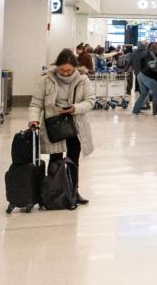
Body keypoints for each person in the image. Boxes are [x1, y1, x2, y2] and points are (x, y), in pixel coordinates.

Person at [27, 49, 95, 206]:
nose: (65, 73)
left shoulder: (82, 80)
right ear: (56, 66)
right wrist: (33, 120)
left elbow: (90, 101)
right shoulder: (46, 80)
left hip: (75, 126)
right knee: (55, 159)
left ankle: (73, 191)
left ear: (75, 68)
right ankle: (54, 192)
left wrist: (75, 108)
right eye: (61, 70)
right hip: (54, 126)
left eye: (68, 70)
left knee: (73, 160)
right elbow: (36, 103)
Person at [132, 43, 157, 115]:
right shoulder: (154, 56)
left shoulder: (146, 54)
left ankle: (135, 110)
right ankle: (156, 111)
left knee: (144, 94)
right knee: (156, 92)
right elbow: (153, 67)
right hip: (147, 76)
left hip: (140, 74)